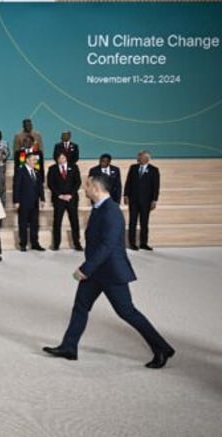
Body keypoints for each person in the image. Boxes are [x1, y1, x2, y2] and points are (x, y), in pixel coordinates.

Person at [42, 174, 175, 369]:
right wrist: (90, 269)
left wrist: (85, 269)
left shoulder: (111, 211)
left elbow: (107, 246)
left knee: (127, 312)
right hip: (96, 271)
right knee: (80, 306)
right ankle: (69, 347)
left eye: (87, 185)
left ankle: (162, 348)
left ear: (96, 188)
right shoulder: (99, 208)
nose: (84, 189)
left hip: (111, 272)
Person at [124, 150, 160, 251]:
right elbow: (128, 182)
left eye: (139, 156)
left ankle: (144, 243)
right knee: (132, 222)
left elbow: (156, 186)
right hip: (133, 200)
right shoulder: (133, 168)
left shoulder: (154, 170)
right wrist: (126, 195)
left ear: (146, 158)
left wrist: (154, 200)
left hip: (146, 201)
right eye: (138, 156)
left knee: (144, 222)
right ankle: (132, 243)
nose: (137, 158)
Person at [47, 152, 83, 251]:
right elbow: (51, 184)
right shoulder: (52, 169)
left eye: (63, 157)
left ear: (66, 158)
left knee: (74, 221)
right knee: (57, 222)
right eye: (59, 158)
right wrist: (60, 195)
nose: (61, 159)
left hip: (72, 199)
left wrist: (70, 194)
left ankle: (77, 243)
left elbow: (78, 182)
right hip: (59, 199)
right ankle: (56, 244)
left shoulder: (74, 167)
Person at [13, 151, 45, 251]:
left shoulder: (37, 171)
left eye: (35, 160)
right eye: (32, 160)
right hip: (23, 202)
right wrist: (16, 201)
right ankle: (23, 244)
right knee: (23, 223)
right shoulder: (20, 171)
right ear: (27, 160)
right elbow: (16, 187)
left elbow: (40, 187)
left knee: (35, 224)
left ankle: (35, 243)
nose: (34, 161)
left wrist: (42, 199)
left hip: (35, 202)